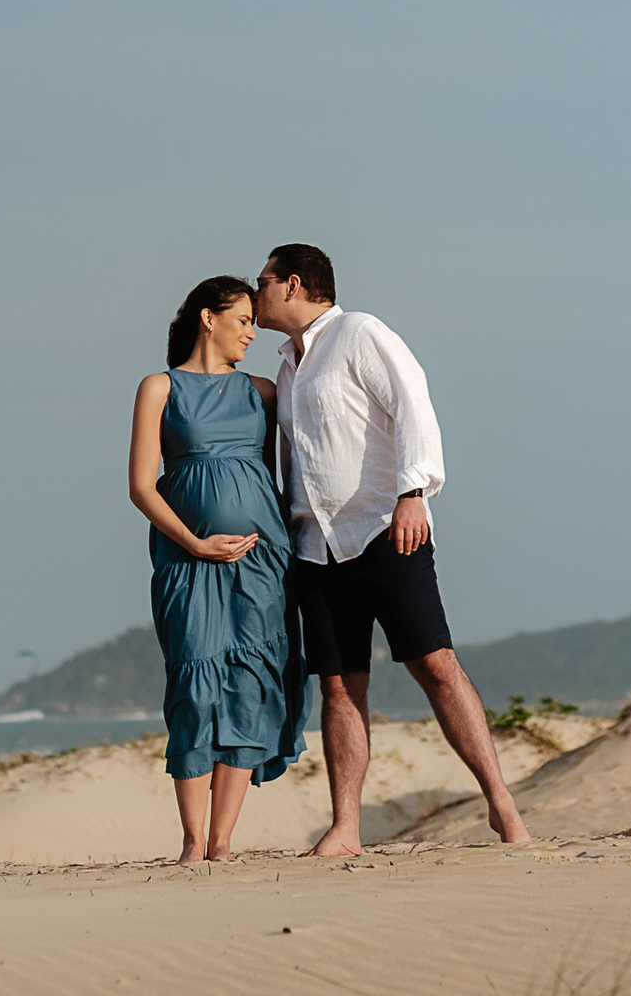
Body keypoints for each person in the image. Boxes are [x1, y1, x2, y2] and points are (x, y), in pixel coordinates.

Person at [255, 243, 532, 855]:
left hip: (385, 530)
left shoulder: (359, 332)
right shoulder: (287, 367)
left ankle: (501, 802)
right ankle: (345, 828)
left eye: (263, 281)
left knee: (435, 664)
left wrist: (414, 491)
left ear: (293, 284)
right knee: (338, 687)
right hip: (315, 546)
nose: (256, 294)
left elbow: (413, 404)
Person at [128, 275, 308, 863]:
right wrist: (194, 542)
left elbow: (280, 474)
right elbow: (141, 486)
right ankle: (190, 842)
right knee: (193, 684)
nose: (252, 333)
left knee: (249, 685)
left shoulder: (263, 391)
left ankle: (222, 843)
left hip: (261, 559)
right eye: (244, 321)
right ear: (209, 318)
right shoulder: (160, 388)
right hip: (186, 558)